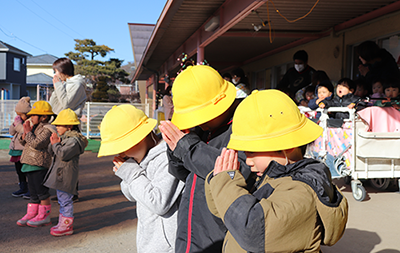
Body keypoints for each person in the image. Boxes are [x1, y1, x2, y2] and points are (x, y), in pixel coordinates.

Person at [205, 89, 348, 252]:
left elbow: (252, 230)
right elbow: (227, 214)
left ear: (287, 146)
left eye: (252, 152)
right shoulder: (273, 176)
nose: (248, 161)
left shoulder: (300, 192)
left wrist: (225, 184)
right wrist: (217, 180)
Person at [159, 65, 254, 253]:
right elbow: (181, 173)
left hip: (221, 238)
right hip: (189, 235)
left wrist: (188, 148)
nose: (199, 121)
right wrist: (175, 148)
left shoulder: (244, 124)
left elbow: (239, 172)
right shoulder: (200, 129)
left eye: (201, 115)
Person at [98, 104, 184, 253]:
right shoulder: (140, 159)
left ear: (139, 138)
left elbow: (159, 203)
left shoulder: (167, 158)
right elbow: (131, 194)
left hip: (168, 248)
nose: (120, 153)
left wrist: (131, 174)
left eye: (121, 146)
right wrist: (128, 174)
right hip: (149, 243)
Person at [43, 108, 88, 236]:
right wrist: (53, 143)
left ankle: (67, 225)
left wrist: (56, 144)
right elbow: (52, 152)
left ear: (69, 126)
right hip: (61, 174)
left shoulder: (74, 141)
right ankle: (63, 222)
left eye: (59, 125)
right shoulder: (63, 138)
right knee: (62, 199)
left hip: (66, 175)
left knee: (66, 200)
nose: (56, 126)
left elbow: (62, 154)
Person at [49, 57, 87, 202]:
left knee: (69, 160)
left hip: (70, 123)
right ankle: (63, 190)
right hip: (61, 121)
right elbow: (55, 104)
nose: (55, 74)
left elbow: (65, 104)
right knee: (60, 158)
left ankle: (72, 192)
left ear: (63, 71)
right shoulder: (66, 83)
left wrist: (58, 86)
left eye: (56, 70)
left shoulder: (76, 84)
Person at [17, 101, 56, 227]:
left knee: (41, 191)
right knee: (32, 191)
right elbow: (26, 143)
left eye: (34, 115)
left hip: (39, 164)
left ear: (43, 117)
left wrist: (28, 133)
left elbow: (37, 144)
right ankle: (32, 213)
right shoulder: (35, 127)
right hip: (29, 162)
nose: (31, 117)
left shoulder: (47, 129)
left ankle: (45, 216)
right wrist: (24, 136)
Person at [9, 97, 31, 199]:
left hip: (24, 150)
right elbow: (11, 132)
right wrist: (14, 124)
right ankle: (23, 187)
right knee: (19, 170)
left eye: (20, 114)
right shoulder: (18, 122)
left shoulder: (30, 122)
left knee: (27, 170)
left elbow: (23, 131)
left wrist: (18, 124)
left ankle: (31, 188)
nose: (19, 116)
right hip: (16, 150)